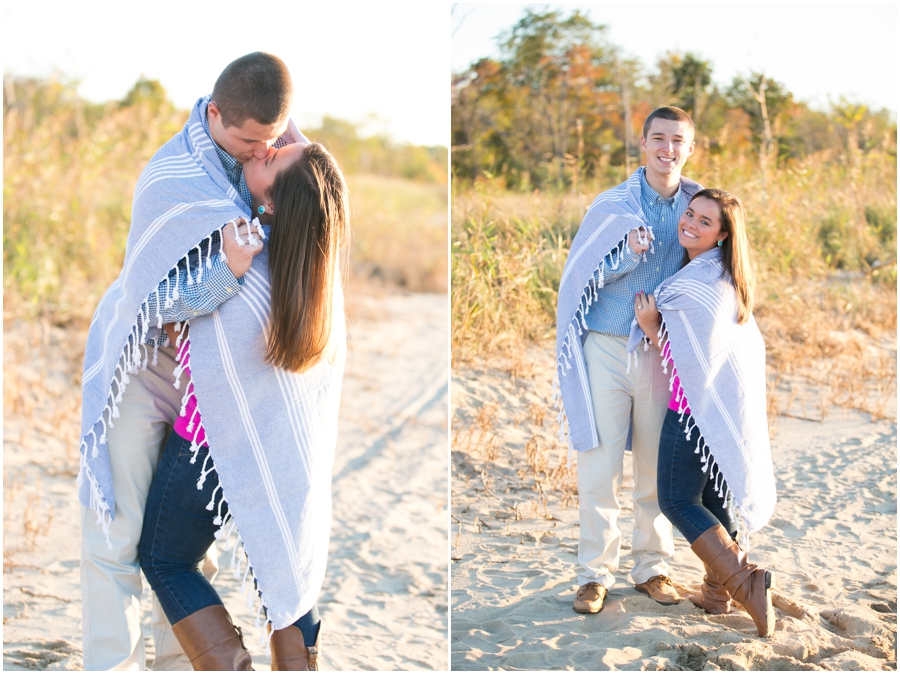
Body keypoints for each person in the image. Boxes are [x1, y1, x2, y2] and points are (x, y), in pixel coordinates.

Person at [78, 52, 306, 670]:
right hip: (144, 362)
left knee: (179, 542)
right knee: (118, 535)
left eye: (271, 141)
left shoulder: (280, 152)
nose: (258, 153)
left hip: (209, 378)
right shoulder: (171, 176)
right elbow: (153, 301)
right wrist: (224, 275)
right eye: (246, 141)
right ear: (213, 113)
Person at [140, 141, 348, 670]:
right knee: (285, 568)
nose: (265, 150)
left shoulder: (244, 247)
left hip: (208, 444)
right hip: (280, 449)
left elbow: (163, 305)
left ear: (274, 204)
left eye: (273, 158)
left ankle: (230, 665)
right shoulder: (314, 268)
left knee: (165, 559)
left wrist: (227, 269)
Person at [554, 107, 701, 614]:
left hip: (661, 351)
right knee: (600, 465)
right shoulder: (614, 204)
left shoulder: (698, 206)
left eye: (677, 141)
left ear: (690, 147)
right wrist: (627, 255)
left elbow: (712, 272)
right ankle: (594, 576)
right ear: (642, 144)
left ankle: (652, 569)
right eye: (658, 138)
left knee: (656, 471)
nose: (667, 149)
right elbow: (580, 277)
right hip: (607, 345)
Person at [630, 189, 777, 637]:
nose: (690, 223)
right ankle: (716, 597)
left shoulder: (696, 284)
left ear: (722, 234)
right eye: (689, 214)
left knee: (677, 501)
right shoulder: (723, 275)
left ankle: (747, 583)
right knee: (714, 502)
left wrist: (653, 330)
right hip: (719, 410)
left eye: (704, 221)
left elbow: (689, 364)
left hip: (692, 410)